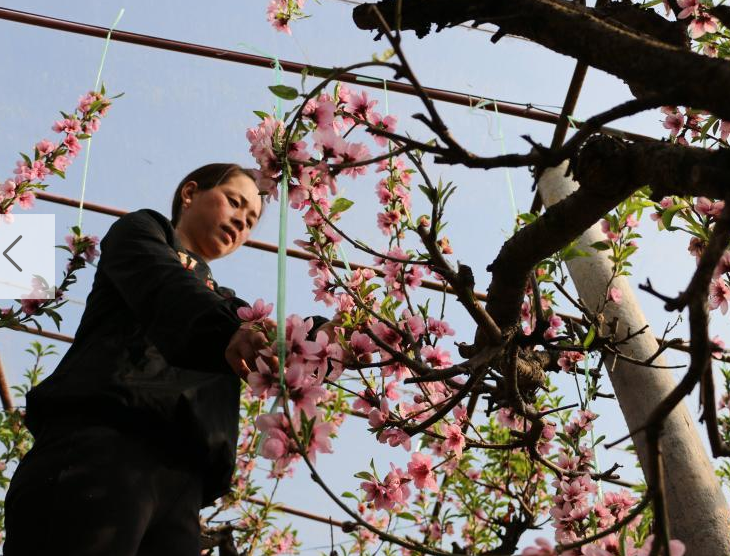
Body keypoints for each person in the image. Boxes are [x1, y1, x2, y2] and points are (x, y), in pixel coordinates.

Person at [3, 163, 303, 556]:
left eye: (250, 221)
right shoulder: (143, 231)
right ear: (190, 193)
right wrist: (229, 330)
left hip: (183, 493)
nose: (240, 223)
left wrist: (329, 334)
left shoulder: (230, 306)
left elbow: (276, 336)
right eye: (234, 202)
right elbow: (164, 285)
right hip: (104, 445)